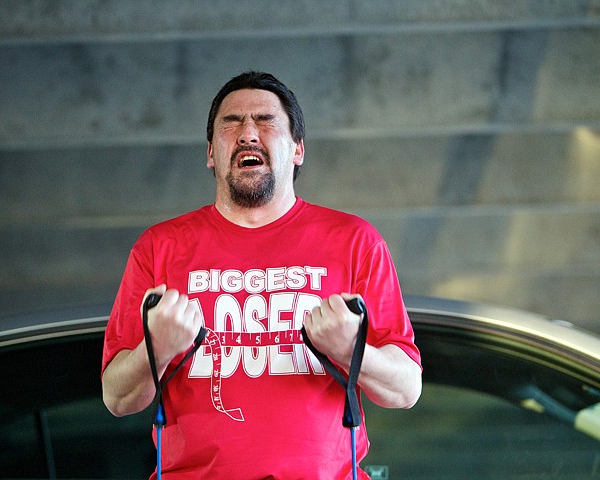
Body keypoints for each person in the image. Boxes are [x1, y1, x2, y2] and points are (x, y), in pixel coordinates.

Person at [101, 71, 422, 479]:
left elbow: (406, 389)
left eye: (266, 120)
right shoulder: (159, 248)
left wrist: (351, 350)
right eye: (231, 122)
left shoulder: (355, 241)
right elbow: (116, 397)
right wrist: (157, 350)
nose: (248, 133)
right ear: (211, 154)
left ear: (298, 149)